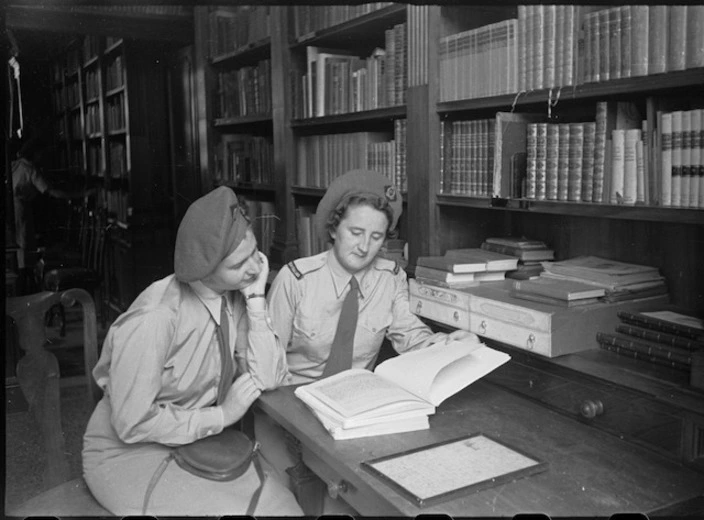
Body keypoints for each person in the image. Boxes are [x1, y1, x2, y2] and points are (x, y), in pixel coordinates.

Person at [257, 169, 479, 513]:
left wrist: (448, 343)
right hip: (294, 410)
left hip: (355, 412)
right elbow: (267, 367)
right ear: (333, 228)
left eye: (376, 237)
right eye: (355, 232)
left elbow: (411, 336)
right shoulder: (296, 280)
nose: (364, 247)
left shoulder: (390, 279)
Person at [81, 186, 302, 516]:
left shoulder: (235, 292)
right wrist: (222, 415)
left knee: (283, 504)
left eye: (255, 252)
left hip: (195, 440)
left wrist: (256, 302)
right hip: (130, 451)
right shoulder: (156, 319)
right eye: (240, 263)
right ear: (206, 269)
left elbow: (268, 379)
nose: (256, 269)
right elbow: (131, 424)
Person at [10, 137, 92, 252]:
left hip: (10, 208)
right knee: (23, 243)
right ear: (35, 153)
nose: (43, 157)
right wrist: (80, 194)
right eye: (41, 153)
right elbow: (52, 192)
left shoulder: (15, 164)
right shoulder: (31, 170)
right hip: (20, 208)